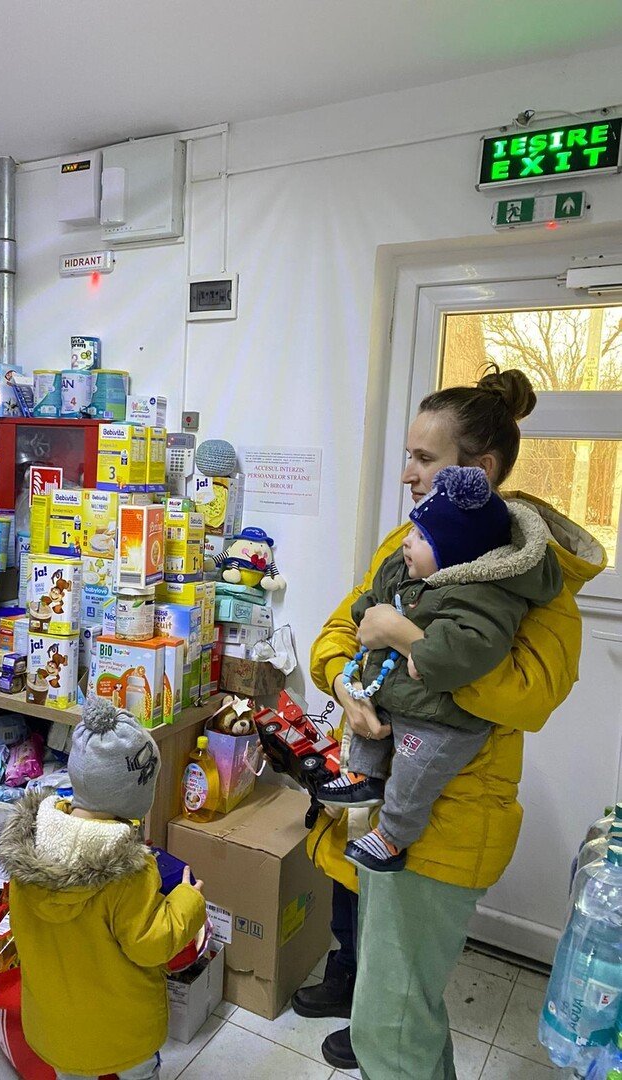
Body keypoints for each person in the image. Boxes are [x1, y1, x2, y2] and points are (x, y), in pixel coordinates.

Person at [307, 366, 607, 1077]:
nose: (407, 474)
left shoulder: (532, 576)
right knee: (401, 1015)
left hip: (449, 822)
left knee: (392, 1029)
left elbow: (530, 696)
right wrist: (348, 686)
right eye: (407, 454)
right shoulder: (409, 541)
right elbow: (340, 630)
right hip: (389, 803)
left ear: (481, 470)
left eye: (424, 457)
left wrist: (413, 643)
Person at [316, 464, 562, 873]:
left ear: (455, 555)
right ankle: (363, 776)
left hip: (443, 722)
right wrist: (367, 615)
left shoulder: (483, 594)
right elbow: (370, 597)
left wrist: (411, 643)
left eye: (421, 537)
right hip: (401, 697)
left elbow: (474, 648)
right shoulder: (409, 565)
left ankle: (392, 836)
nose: (407, 541)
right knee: (368, 719)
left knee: (414, 775)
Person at [0, 698, 207, 1080]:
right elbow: (151, 944)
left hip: (54, 1029)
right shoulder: (127, 870)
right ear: (136, 797)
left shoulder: (30, 850)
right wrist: (188, 900)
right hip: (122, 1033)